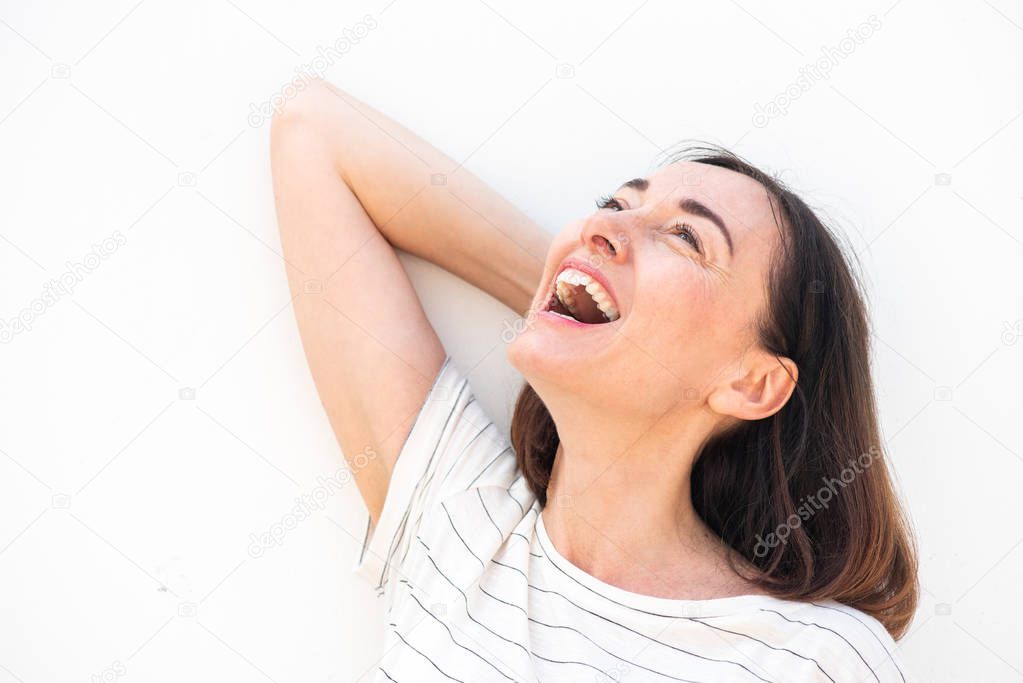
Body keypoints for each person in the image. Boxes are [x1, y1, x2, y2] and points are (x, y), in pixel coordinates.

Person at [270, 77, 918, 682]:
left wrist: (611, 307)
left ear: (750, 384)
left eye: (686, 237)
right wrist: (574, 294)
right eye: (612, 205)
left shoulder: (814, 657)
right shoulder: (462, 524)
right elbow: (312, 130)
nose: (596, 226)